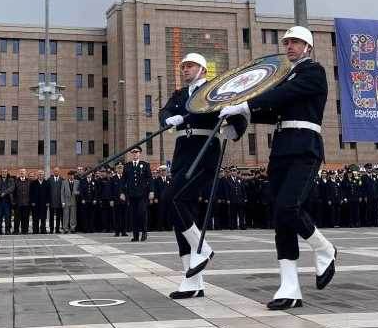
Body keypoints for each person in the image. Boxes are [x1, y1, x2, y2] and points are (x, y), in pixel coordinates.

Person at [219, 26, 336, 310]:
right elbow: (271, 111)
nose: (290, 46)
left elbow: (281, 96)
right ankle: (289, 286)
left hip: (305, 147)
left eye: (295, 42)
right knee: (280, 219)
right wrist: (235, 119)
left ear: (308, 47)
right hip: (282, 148)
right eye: (287, 42)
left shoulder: (313, 72)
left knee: (288, 207)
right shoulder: (288, 76)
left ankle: (324, 248)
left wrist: (244, 105)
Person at [158, 52, 221, 300]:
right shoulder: (179, 94)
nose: (185, 69)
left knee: (171, 199)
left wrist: (183, 116)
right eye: (183, 66)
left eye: (190, 65)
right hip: (183, 151)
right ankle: (193, 280)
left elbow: (208, 111)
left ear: (203, 69)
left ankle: (203, 249)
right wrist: (167, 119)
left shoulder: (211, 90)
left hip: (204, 150)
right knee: (180, 213)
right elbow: (163, 112)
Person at [123, 147, 152, 242]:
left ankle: (144, 232)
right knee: (133, 215)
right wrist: (122, 192)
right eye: (133, 152)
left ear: (140, 153)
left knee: (142, 213)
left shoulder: (145, 165)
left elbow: (150, 179)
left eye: (137, 152)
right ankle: (135, 235)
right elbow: (123, 180)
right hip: (131, 195)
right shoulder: (127, 166)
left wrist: (151, 191)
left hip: (142, 194)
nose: (135, 154)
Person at [0, 169, 14, 234]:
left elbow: (12, 188)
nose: (4, 173)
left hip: (8, 202)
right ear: (1, 173)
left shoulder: (11, 180)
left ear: (7, 172)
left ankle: (7, 230)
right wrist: (0, 193)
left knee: (7, 217)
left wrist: (4, 193)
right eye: (3, 172)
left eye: (5, 172)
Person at [48, 168, 66, 233]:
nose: (56, 172)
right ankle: (51, 229)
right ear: (53, 172)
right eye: (55, 171)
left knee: (59, 216)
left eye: (57, 171)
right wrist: (48, 201)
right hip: (51, 201)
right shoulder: (49, 180)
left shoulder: (62, 180)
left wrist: (63, 201)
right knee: (51, 217)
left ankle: (57, 229)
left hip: (59, 202)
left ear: (59, 172)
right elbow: (47, 192)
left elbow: (64, 191)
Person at [14, 169, 32, 234]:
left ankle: (25, 230)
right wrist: (14, 201)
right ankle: (16, 231)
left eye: (23, 172)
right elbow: (13, 192)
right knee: (17, 218)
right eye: (21, 172)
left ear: (25, 173)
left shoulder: (29, 181)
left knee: (25, 218)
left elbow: (31, 192)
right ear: (19, 173)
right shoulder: (15, 181)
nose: (22, 173)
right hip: (18, 203)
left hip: (26, 203)